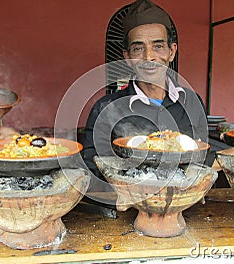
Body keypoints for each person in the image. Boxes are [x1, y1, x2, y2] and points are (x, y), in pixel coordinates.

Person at [82, 0, 208, 182]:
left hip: (182, 201)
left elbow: (201, 156)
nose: (149, 57)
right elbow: (92, 165)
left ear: (171, 52)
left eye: (158, 46)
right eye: (138, 48)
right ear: (127, 57)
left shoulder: (192, 102)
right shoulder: (106, 109)